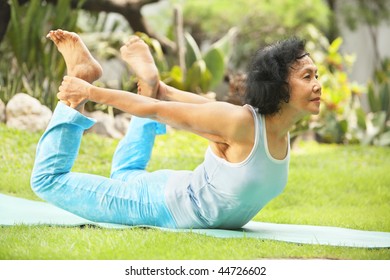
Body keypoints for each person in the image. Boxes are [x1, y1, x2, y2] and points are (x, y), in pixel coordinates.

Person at [31, 29, 322, 229]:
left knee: (124, 177)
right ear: (280, 86)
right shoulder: (243, 125)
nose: (317, 85)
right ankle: (79, 84)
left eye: (316, 75)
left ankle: (147, 84)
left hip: (174, 191)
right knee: (46, 180)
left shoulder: (274, 130)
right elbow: (160, 111)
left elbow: (205, 109)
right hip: (160, 205)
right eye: (307, 76)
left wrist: (162, 90)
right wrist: (88, 92)